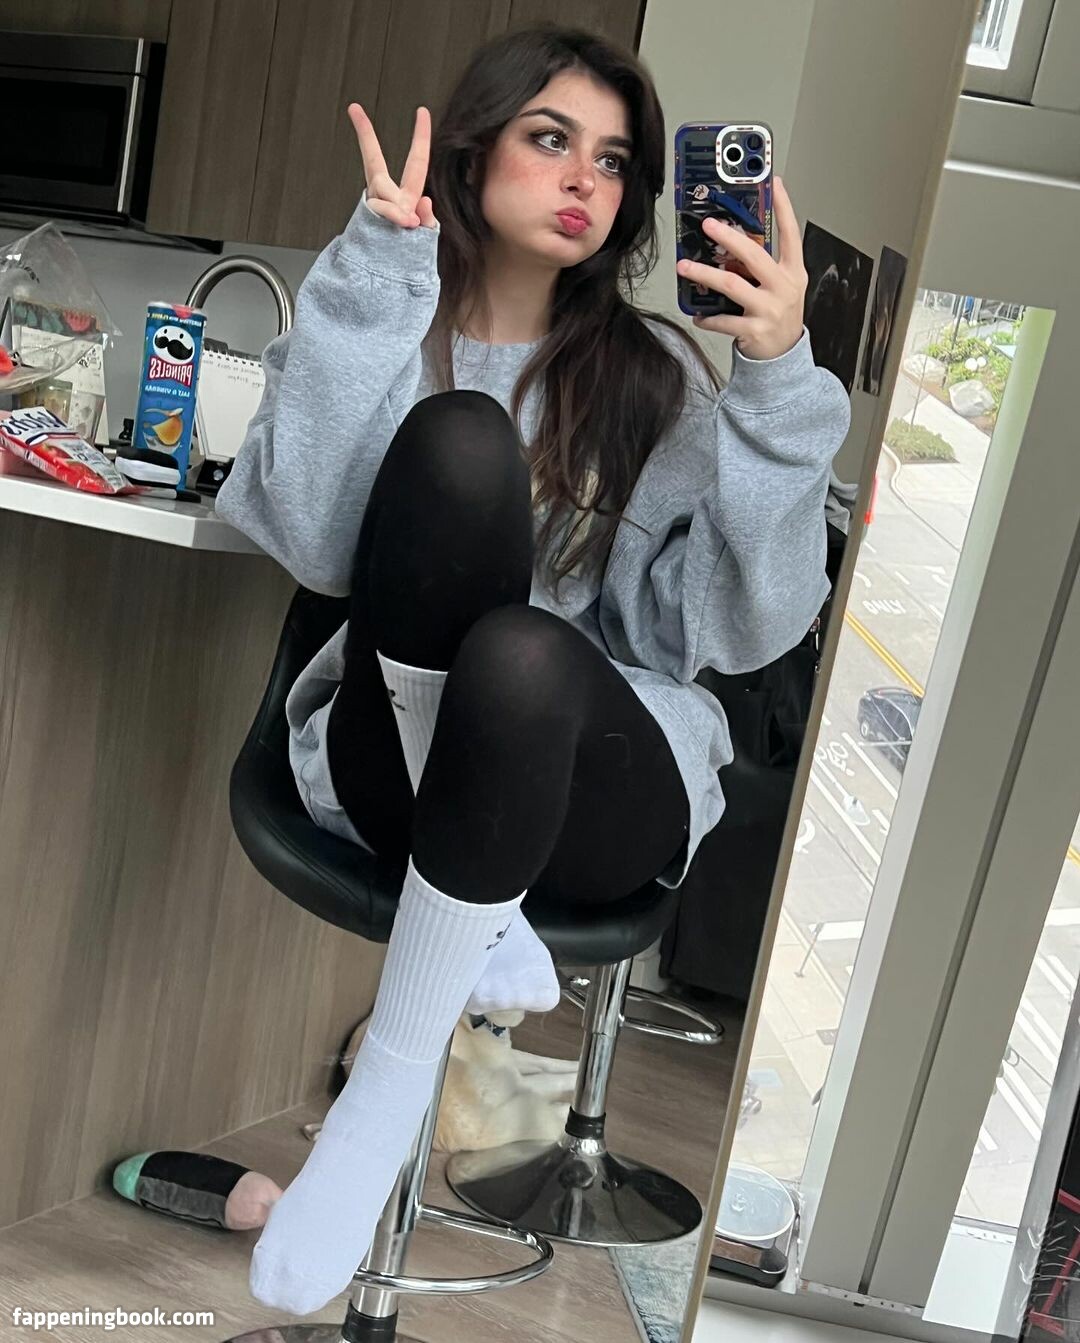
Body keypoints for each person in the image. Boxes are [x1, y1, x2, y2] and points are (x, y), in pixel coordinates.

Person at [215, 22, 850, 1316]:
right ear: (473, 151)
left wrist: (778, 383)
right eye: (551, 138)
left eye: (612, 162)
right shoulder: (390, 317)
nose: (583, 180)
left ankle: (392, 1075)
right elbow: (314, 540)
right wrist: (372, 279)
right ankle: (469, 927)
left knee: (525, 652)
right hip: (396, 765)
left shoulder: (654, 381)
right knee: (458, 447)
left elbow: (730, 631)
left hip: (594, 785)